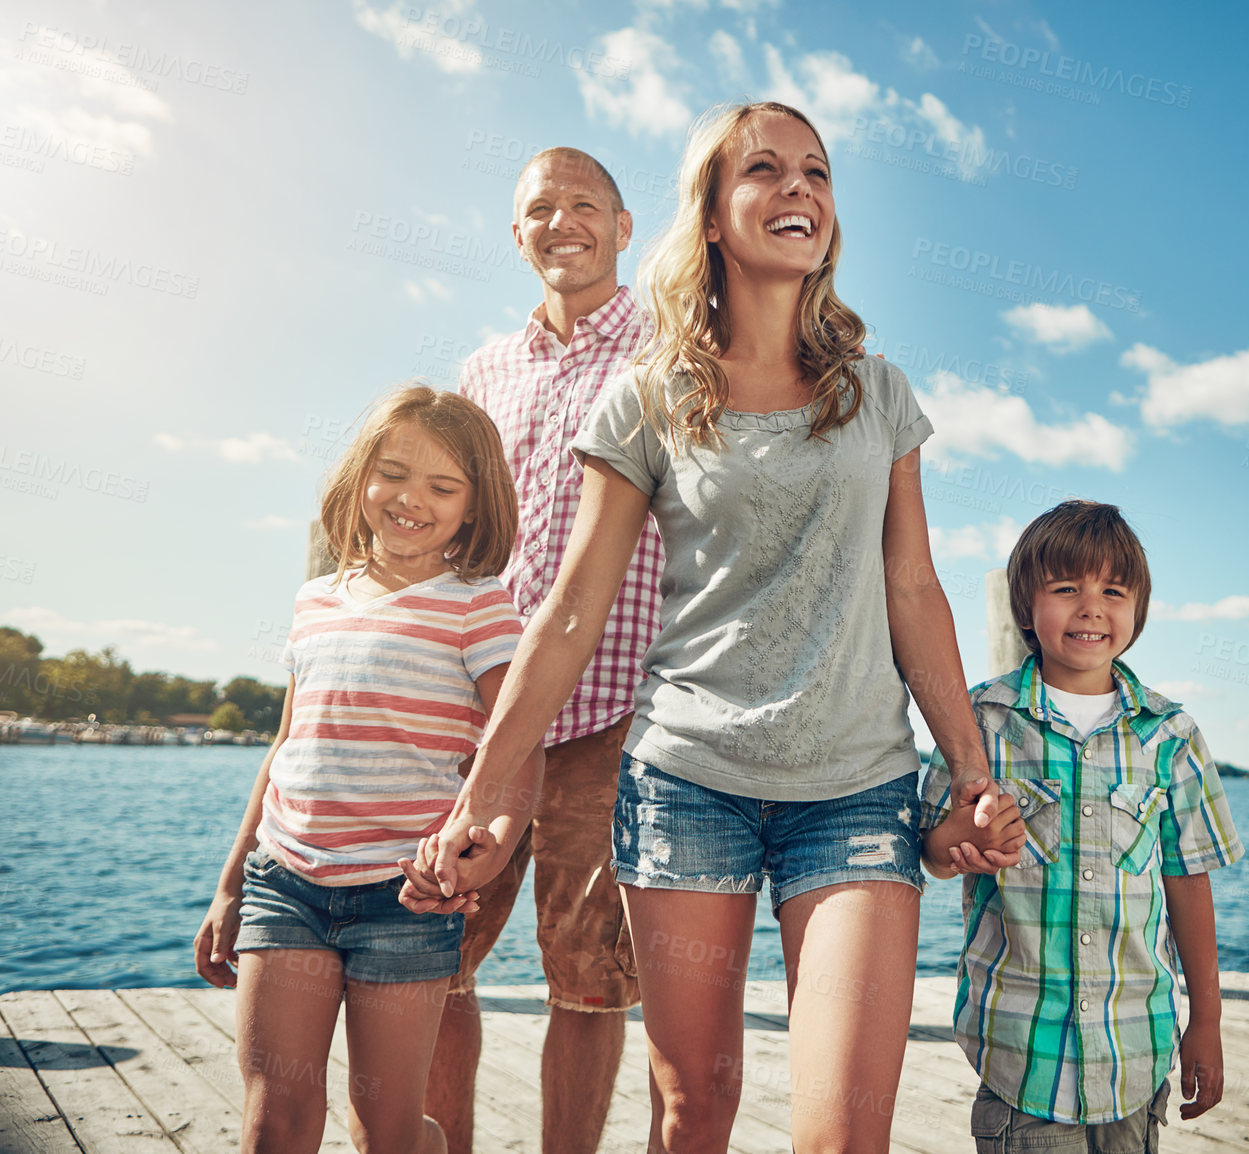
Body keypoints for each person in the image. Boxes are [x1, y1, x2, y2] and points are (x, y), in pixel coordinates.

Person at [419, 100, 1010, 1154]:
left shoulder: (879, 393)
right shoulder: (646, 399)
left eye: (817, 174)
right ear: (709, 214)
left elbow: (913, 587)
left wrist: (966, 766)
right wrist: (483, 795)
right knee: (696, 1110)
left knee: (844, 1131)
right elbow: (569, 612)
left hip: (858, 793)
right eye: (766, 171)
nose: (799, 190)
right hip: (686, 785)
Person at [192, 386, 542, 1154]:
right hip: (284, 883)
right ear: (360, 480)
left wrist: (490, 853)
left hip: (404, 901)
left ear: (475, 508)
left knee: (384, 1127)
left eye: (443, 487)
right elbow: (286, 747)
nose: (412, 499)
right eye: (394, 474)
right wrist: (228, 886)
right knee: (273, 1118)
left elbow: (519, 752)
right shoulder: (314, 601)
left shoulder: (479, 607)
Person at [399, 145, 665, 1154]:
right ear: (516, 234)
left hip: (617, 706)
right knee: (435, 944)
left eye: (584, 205)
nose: (564, 222)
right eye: (541, 209)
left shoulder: (673, 343)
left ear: (623, 225)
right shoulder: (481, 371)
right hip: (489, 703)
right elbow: (462, 534)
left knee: (591, 972)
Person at [921, 500, 1245, 1154]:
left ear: (1137, 612)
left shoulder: (1170, 736)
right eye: (1065, 589)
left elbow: (1186, 881)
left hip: (1136, 1051)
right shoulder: (981, 723)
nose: (1091, 607)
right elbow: (931, 853)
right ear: (1025, 610)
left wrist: (1203, 1022)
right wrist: (959, 839)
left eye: (1113, 591)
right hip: (1021, 1052)